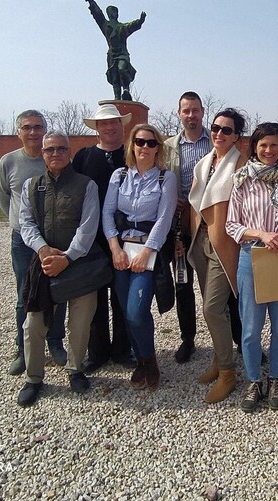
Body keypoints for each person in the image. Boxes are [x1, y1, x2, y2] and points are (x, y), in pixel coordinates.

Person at [226, 122, 278, 412]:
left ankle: (275, 378)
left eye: (274, 145)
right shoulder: (241, 180)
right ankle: (253, 380)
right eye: (263, 145)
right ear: (255, 147)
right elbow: (232, 224)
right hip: (252, 257)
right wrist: (261, 234)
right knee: (250, 328)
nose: (268, 150)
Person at [17, 132, 100, 406]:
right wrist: (43, 250)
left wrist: (68, 257)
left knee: (79, 322)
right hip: (43, 263)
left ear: (69, 152)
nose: (55, 154)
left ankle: (75, 370)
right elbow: (26, 223)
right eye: (50, 150)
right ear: (43, 154)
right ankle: (34, 377)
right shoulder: (32, 186)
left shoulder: (86, 185)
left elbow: (88, 228)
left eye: (61, 149)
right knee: (33, 324)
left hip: (79, 264)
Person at [103, 124, 177, 390]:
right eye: (140, 142)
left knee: (137, 311)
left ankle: (151, 361)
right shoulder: (119, 176)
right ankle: (141, 362)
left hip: (148, 251)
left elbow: (164, 218)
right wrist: (114, 248)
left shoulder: (165, 179)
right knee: (125, 310)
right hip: (122, 251)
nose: (144, 147)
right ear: (132, 145)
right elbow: (107, 212)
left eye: (151, 143)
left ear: (158, 148)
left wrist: (147, 252)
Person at [0, 110, 66, 376]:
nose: (33, 132)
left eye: (38, 127)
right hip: (23, 241)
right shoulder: (9, 161)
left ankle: (55, 342)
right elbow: (3, 196)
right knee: (25, 294)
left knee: (57, 292)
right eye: (27, 127)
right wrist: (19, 223)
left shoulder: (54, 157)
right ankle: (22, 348)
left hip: (54, 238)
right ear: (19, 132)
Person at [187, 108, 246, 403]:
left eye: (227, 130)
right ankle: (218, 359)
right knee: (212, 309)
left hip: (226, 245)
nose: (219, 134)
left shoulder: (242, 165)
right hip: (201, 242)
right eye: (216, 128)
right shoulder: (205, 162)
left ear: (236, 136)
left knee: (213, 308)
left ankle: (227, 372)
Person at [72, 104, 135, 373]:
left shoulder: (132, 154)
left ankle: (122, 349)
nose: (109, 128)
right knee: (93, 298)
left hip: (127, 237)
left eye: (114, 123)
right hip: (92, 238)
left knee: (122, 296)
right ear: (96, 128)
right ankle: (96, 352)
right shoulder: (84, 157)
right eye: (104, 124)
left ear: (121, 126)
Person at [164, 92, 211, 363]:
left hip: (208, 226)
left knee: (219, 285)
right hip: (179, 228)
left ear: (202, 112)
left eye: (195, 110)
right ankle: (187, 339)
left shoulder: (215, 144)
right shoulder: (168, 146)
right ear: (179, 113)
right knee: (183, 284)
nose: (191, 115)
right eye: (186, 110)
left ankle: (235, 340)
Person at [85, 0, 146, 101]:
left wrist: (139, 21)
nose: (113, 14)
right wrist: (91, 1)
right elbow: (97, 14)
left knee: (122, 68)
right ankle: (117, 97)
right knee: (114, 76)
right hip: (112, 55)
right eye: (111, 12)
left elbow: (130, 26)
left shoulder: (121, 27)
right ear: (108, 14)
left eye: (115, 12)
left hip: (122, 54)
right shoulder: (105, 25)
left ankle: (126, 90)